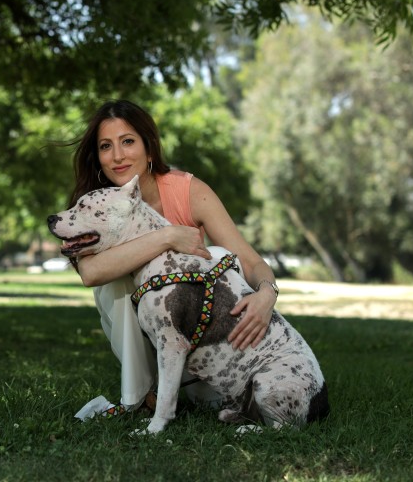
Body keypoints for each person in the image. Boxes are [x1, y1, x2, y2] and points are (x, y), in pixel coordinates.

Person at [68, 99, 279, 416]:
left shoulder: (187, 191)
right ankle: (139, 398)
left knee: (220, 258)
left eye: (128, 142)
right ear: (98, 158)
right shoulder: (98, 206)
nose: (118, 156)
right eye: (105, 146)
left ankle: (189, 393)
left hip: (204, 342)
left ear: (149, 148)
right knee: (115, 283)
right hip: (150, 347)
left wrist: (267, 293)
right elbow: (91, 273)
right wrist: (166, 236)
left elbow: (248, 260)